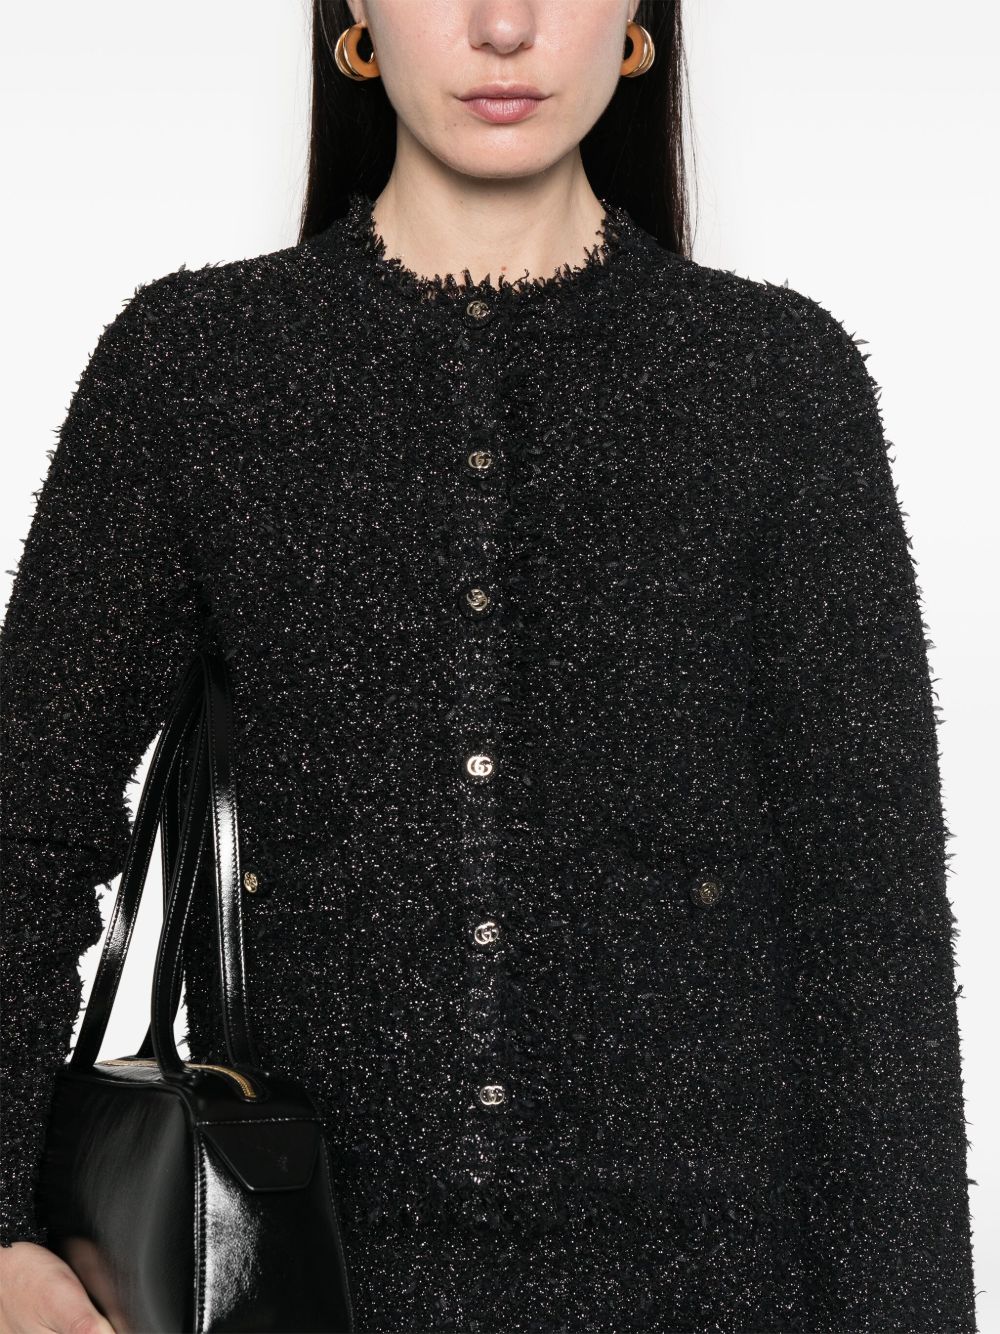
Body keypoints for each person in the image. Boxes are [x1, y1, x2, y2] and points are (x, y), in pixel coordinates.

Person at [0, 2, 979, 1331]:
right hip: (297, 1285)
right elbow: (26, 822)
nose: (503, 26)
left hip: (717, 1289)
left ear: (638, 17)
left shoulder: (775, 384)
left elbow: (870, 934)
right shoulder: (196, 369)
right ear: (354, 11)